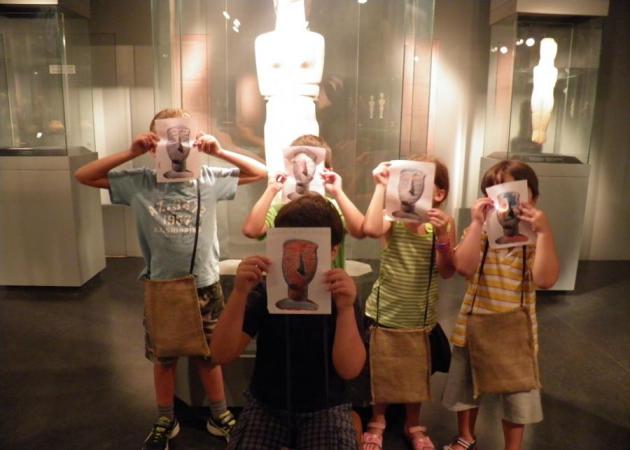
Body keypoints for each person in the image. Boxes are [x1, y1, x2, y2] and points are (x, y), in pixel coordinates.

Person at [74, 108, 267, 450]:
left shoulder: (208, 179)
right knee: (164, 358)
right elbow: (83, 176)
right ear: (154, 147)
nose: (178, 147)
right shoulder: (140, 182)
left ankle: (219, 414)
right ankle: (165, 417)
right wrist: (130, 152)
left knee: (209, 355)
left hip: (204, 283)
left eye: (185, 139)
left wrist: (219, 150)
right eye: (168, 140)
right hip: (162, 286)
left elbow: (259, 172)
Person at [211, 194, 366, 449]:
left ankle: (352, 421)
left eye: (310, 253)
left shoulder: (341, 296)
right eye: (290, 253)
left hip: (326, 405)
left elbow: (350, 370)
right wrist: (239, 293)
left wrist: (346, 309)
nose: (300, 265)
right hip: (267, 402)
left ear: (333, 251)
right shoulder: (264, 291)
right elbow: (220, 353)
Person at [442, 160, 559, 450]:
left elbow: (545, 279)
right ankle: (466, 435)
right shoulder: (480, 233)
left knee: (517, 391)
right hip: (474, 323)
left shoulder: (534, 240)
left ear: (532, 198)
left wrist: (544, 233)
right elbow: (463, 267)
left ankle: (512, 446)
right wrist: (476, 224)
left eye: (513, 191)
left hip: (516, 329)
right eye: (494, 192)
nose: (504, 200)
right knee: (466, 386)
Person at [361, 156, 457, 450]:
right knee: (383, 367)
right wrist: (380, 186)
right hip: (386, 310)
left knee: (417, 371)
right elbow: (371, 229)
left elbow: (447, 270)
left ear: (438, 193)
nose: (411, 189)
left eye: (420, 182)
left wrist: (443, 236)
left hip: (420, 315)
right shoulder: (393, 218)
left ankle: (413, 422)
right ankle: (378, 418)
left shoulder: (442, 224)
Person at [241, 134, 366, 269]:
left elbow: (359, 231)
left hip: (330, 280)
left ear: (326, 171)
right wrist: (271, 190)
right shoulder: (280, 208)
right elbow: (251, 230)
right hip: (288, 278)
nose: (304, 170)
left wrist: (338, 193)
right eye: (296, 164)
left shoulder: (332, 207)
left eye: (311, 164)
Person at [530, 38, 558, 145]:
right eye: (545, 49)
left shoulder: (554, 70)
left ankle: (542, 133)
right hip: (538, 93)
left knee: (546, 113)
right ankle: (536, 133)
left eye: (550, 49)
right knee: (536, 112)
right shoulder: (537, 69)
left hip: (548, 94)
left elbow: (552, 84)